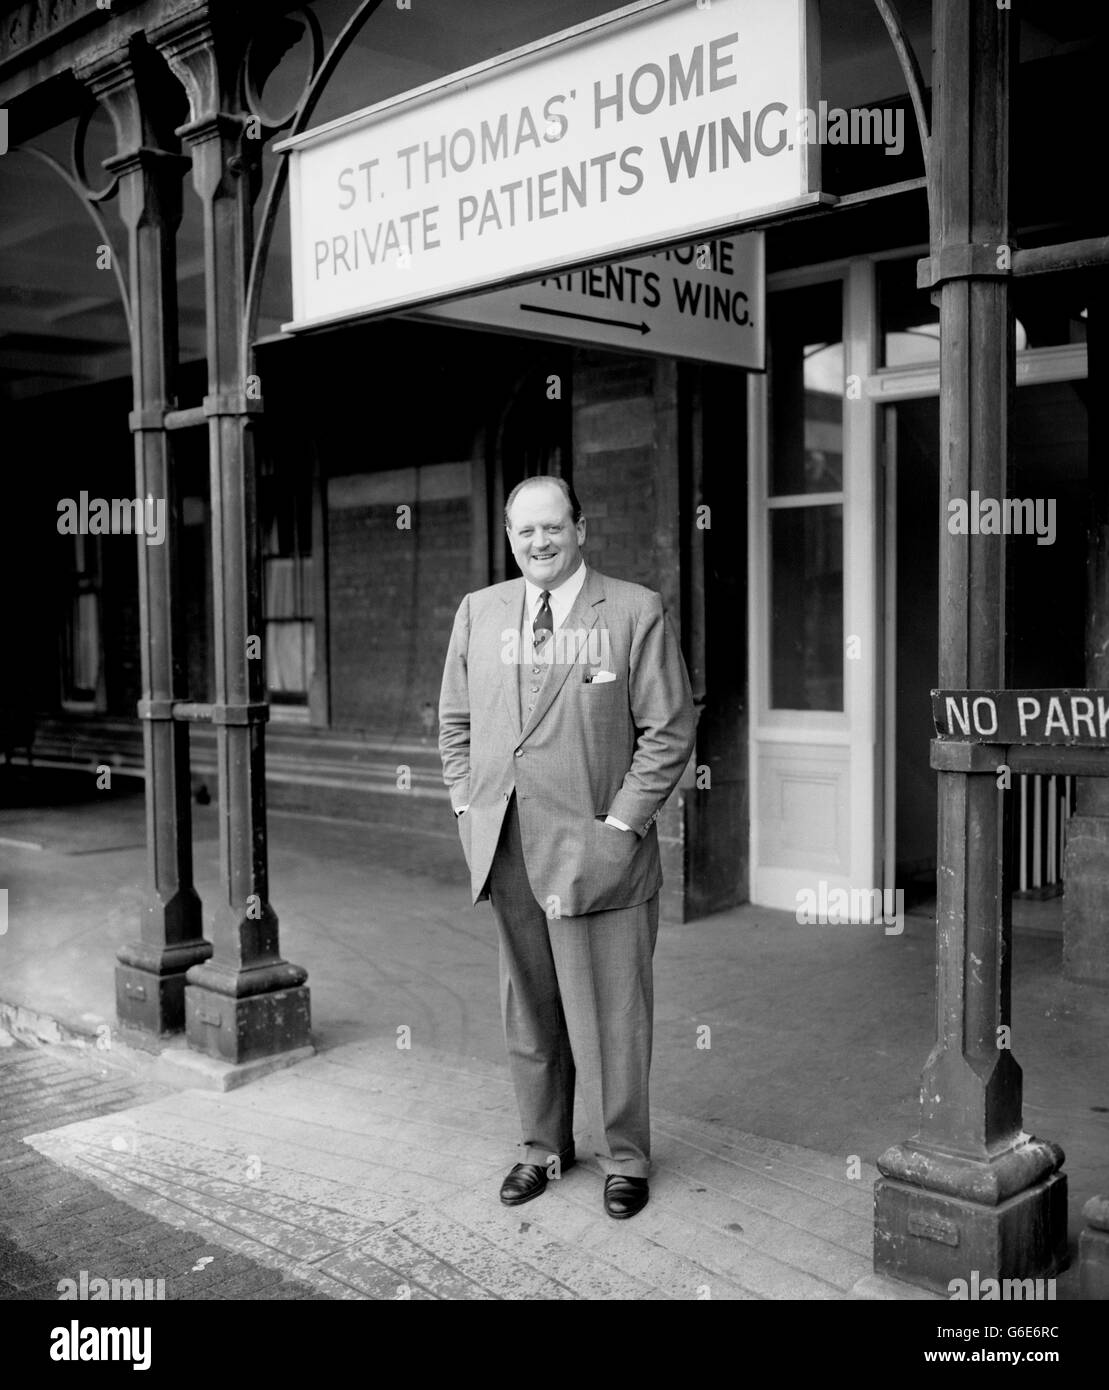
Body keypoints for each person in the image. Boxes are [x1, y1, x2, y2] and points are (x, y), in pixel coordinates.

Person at [437, 475, 696, 1219]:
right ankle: (541, 1149)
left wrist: (619, 828)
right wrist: (466, 806)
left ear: (580, 528)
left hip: (597, 855)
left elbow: (669, 731)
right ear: (510, 537)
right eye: (525, 532)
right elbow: (455, 725)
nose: (539, 543)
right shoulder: (479, 613)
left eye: (553, 528)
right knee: (530, 1008)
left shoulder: (633, 610)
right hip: (507, 847)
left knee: (611, 1015)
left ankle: (625, 1159)